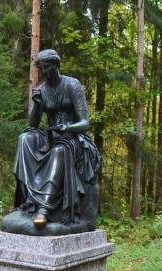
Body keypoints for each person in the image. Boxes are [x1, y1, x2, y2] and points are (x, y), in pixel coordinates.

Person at [13, 49, 100, 230]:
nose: (44, 72)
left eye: (47, 67)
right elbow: (33, 123)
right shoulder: (41, 89)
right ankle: (30, 200)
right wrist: (37, 104)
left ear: (56, 65)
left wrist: (68, 128)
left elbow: (84, 123)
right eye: (41, 69)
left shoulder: (72, 85)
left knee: (60, 149)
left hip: (75, 138)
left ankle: (44, 208)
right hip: (51, 136)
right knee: (25, 138)